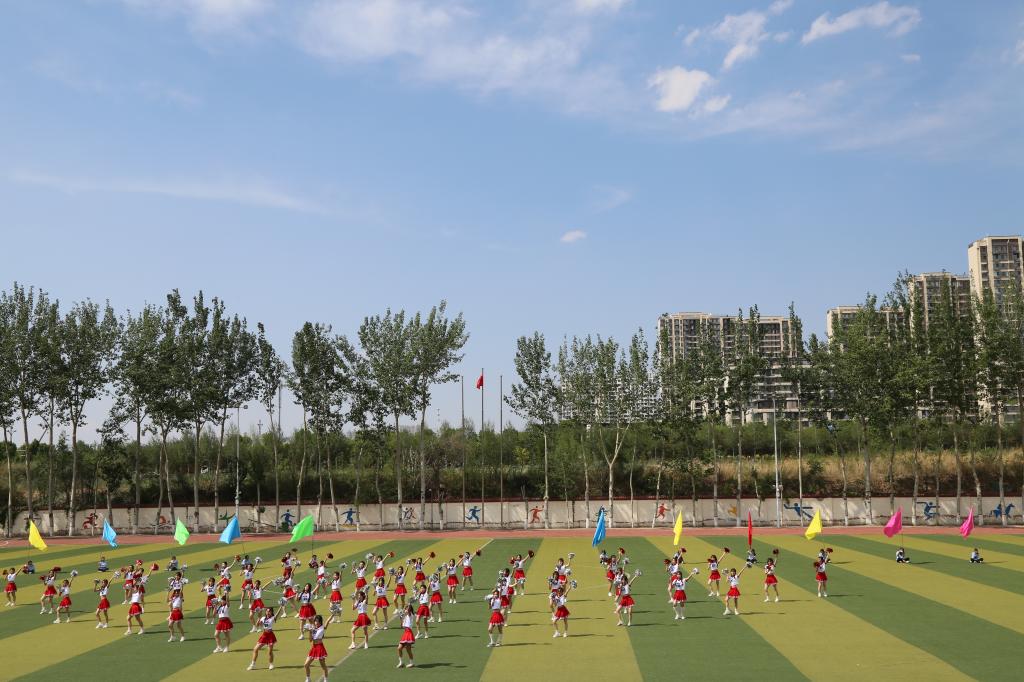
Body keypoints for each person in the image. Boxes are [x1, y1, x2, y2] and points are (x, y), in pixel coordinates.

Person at [248, 605, 286, 671]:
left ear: (271, 612)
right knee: (255, 649)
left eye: (269, 611)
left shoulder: (273, 618)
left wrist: (281, 606)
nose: (268, 612)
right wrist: (259, 618)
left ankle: (271, 664)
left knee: (270, 652)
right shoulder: (263, 618)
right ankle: (252, 665)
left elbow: (277, 614)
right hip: (264, 635)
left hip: (270, 635)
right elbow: (257, 625)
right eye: (267, 611)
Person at [303, 614, 330, 682]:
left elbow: (327, 621)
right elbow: (310, 640)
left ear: (320, 622)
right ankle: (308, 678)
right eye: (315, 621)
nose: (316, 622)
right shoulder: (313, 628)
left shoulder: (322, 628)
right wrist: (310, 631)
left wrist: (332, 615)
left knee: (323, 666)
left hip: (320, 647)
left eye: (318, 621)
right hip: (314, 648)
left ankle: (326, 679)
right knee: (306, 665)